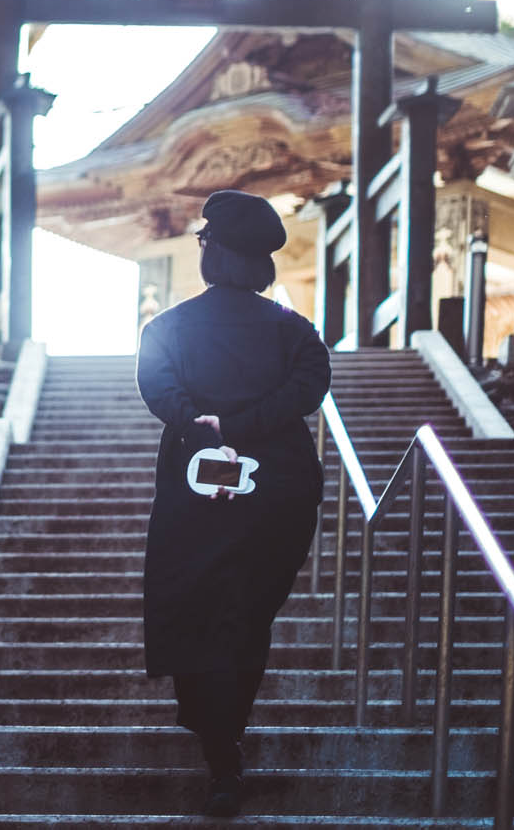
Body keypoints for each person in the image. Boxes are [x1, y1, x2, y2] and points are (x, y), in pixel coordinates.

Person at [137, 189, 330, 818]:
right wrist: (247, 424)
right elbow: (310, 388)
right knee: (247, 612)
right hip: (278, 485)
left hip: (196, 481)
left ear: (212, 253)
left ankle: (216, 739)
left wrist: (204, 424)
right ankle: (226, 740)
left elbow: (159, 387)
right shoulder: (293, 331)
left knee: (195, 602)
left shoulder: (165, 329)